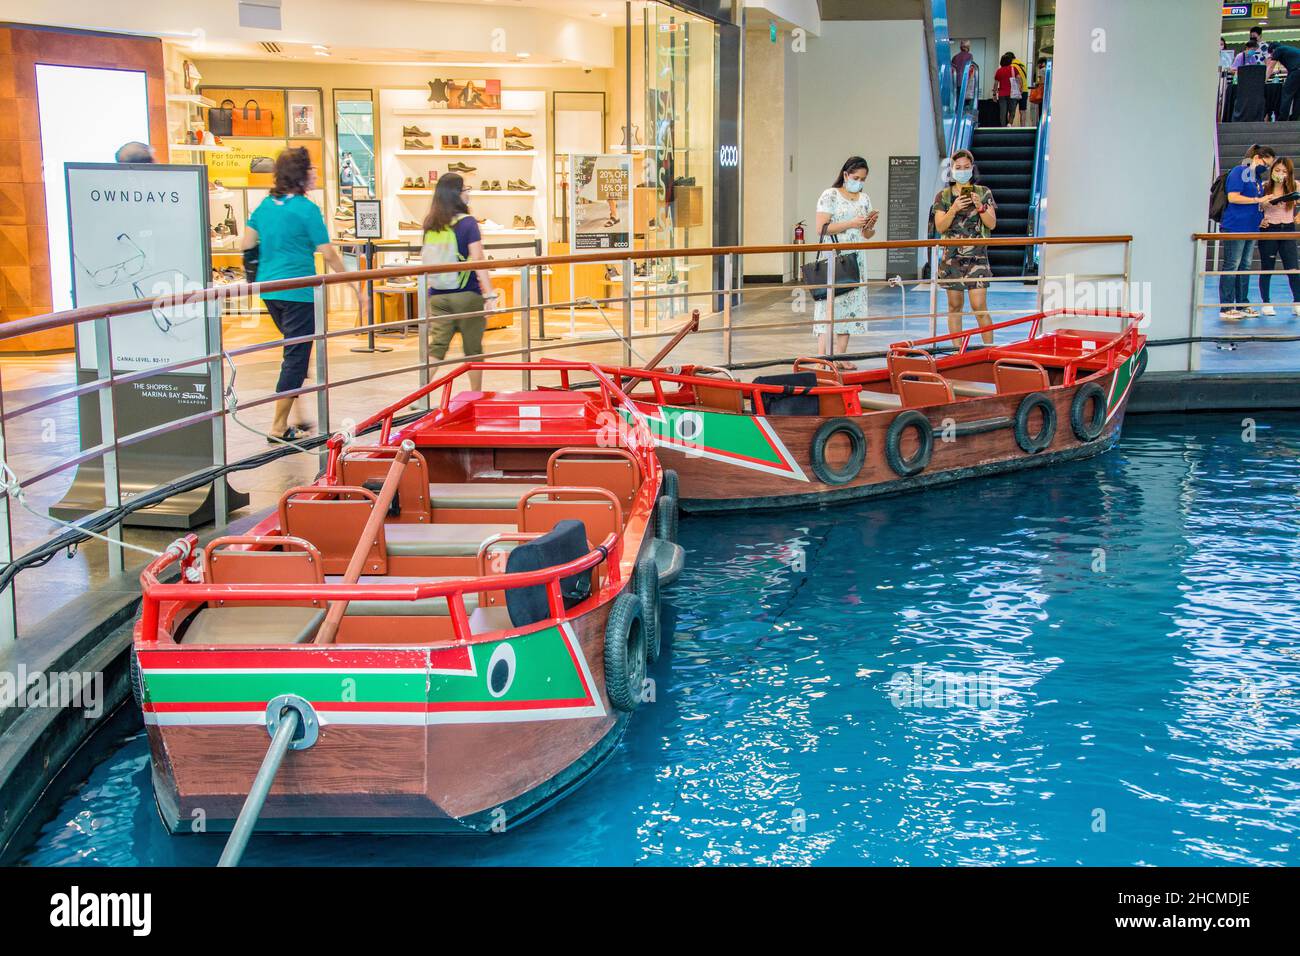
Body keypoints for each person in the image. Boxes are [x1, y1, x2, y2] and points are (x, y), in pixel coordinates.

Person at [241, 147, 359, 442]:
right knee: (295, 357)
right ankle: (278, 426)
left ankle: (298, 416)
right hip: (299, 292)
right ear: (300, 174)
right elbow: (328, 252)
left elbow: (247, 242)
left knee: (297, 351)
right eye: (311, 169)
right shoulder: (307, 209)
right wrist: (352, 282)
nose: (315, 173)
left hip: (270, 290)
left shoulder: (266, 205)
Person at [421, 172, 498, 392]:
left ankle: (419, 396)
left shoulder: (431, 224)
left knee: (437, 347)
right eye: (465, 190)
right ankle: (476, 394)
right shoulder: (468, 223)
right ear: (457, 194)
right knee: (473, 349)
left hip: (438, 294)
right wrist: (490, 294)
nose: (467, 194)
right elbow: (478, 260)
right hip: (467, 295)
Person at [812, 157, 878, 368]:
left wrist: (869, 225)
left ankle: (841, 356)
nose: (859, 182)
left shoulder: (864, 199)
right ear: (846, 175)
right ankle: (822, 358)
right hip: (834, 256)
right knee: (828, 305)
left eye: (863, 179)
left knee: (851, 306)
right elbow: (821, 228)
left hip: (856, 257)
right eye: (856, 177)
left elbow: (866, 235)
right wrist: (850, 223)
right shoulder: (830, 195)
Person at [931, 150, 998, 345]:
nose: (962, 171)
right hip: (951, 259)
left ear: (972, 168)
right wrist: (953, 209)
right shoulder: (943, 196)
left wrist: (980, 207)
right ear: (951, 170)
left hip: (977, 258)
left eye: (966, 167)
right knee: (954, 306)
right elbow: (940, 226)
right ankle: (957, 351)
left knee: (979, 306)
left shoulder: (983, 192)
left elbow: (992, 223)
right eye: (957, 167)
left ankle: (989, 350)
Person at [1219, 145, 1275, 322]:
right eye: (1266, 164)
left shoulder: (1256, 178)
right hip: (1236, 225)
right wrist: (1258, 199)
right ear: (1257, 158)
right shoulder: (1240, 171)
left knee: (1245, 265)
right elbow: (1233, 197)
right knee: (1232, 264)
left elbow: (1254, 201)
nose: (1266, 168)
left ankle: (1242, 303)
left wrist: (1262, 209)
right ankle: (1226, 305)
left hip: (1251, 226)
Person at [1256, 155, 1300, 318]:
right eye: (1277, 170)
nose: (1280, 174)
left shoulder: (1295, 186)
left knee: (1293, 267)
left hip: (1288, 228)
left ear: (1289, 173)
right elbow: (1256, 208)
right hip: (1269, 229)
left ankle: (1297, 302)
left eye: (1284, 171)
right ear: (1272, 171)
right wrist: (1261, 214)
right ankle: (1266, 303)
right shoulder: (1264, 186)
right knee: (1267, 267)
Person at [1267, 43, 1300, 121]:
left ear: (1273, 50)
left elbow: (1270, 67)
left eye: (1271, 54)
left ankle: (1282, 119)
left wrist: (1264, 80)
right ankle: (1294, 118)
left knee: (1286, 94)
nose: (1272, 56)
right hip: (1296, 71)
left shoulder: (1278, 50)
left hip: (1296, 72)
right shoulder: (1290, 49)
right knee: (1298, 96)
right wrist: (1280, 71)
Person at [993, 53, 1017, 127]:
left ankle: (1003, 127)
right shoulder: (1013, 69)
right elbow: (1019, 79)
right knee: (1012, 110)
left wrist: (994, 94)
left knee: (1003, 112)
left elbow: (996, 84)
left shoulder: (999, 71)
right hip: (1012, 93)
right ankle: (1009, 124)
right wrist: (1020, 88)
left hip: (1002, 94)